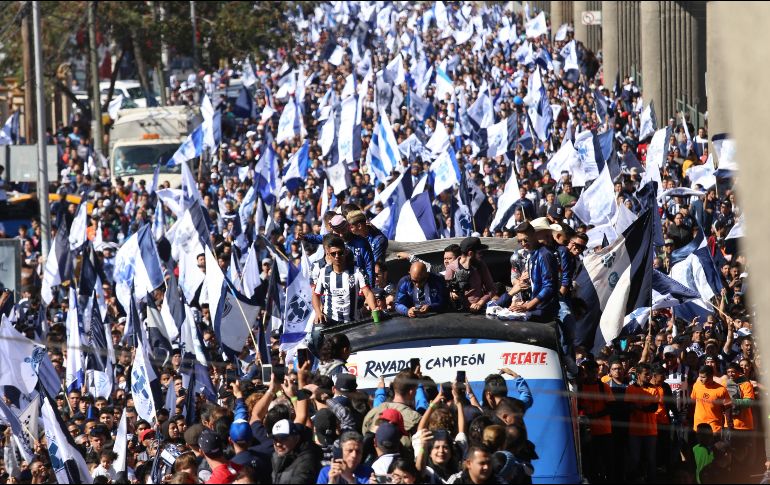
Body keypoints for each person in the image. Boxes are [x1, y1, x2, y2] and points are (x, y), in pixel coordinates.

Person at [312, 236, 378, 325]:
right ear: (328, 254)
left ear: (345, 252)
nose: (337, 256)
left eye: (340, 253)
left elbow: (368, 293)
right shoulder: (323, 272)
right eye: (333, 254)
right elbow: (316, 295)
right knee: (317, 332)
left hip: (352, 322)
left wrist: (374, 309)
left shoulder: (357, 271)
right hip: (330, 321)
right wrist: (318, 312)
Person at [510, 221, 558, 322]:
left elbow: (549, 287)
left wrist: (528, 306)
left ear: (534, 236)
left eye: (526, 240)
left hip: (544, 311)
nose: (523, 244)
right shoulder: (531, 254)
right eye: (520, 241)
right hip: (536, 308)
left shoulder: (544, 255)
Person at [444, 237, 495, 313]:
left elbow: (491, 289)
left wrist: (479, 303)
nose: (481, 256)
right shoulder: (451, 268)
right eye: (479, 253)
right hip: (457, 313)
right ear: (470, 253)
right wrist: (452, 293)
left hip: (479, 312)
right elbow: (446, 290)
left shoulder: (480, 265)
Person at [271, 419, 324, 484]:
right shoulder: (277, 456)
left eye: (283, 439)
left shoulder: (307, 461)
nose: (278, 444)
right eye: (275, 439)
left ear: (296, 438)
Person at [691, 365, 733, 435]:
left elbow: (728, 408)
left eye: (703, 377)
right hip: (698, 426)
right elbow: (692, 403)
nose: (700, 379)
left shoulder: (721, 390)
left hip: (714, 427)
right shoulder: (696, 386)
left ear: (711, 376)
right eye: (700, 376)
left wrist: (729, 425)